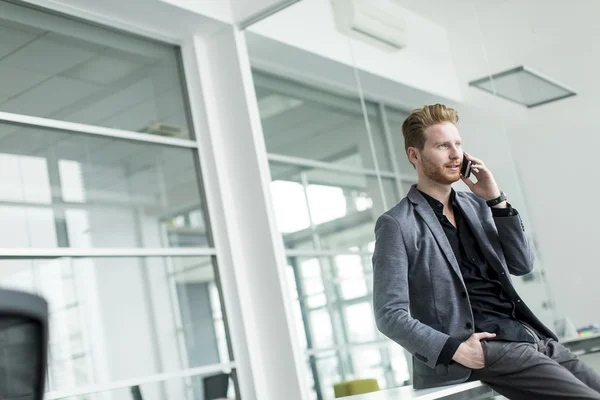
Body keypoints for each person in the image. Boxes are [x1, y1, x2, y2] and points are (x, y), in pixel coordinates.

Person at [372, 104, 600, 399]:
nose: (455, 154)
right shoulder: (397, 224)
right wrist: (455, 349)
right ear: (414, 155)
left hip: (531, 336)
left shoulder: (477, 205)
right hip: (488, 350)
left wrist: (496, 200)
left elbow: (522, 265)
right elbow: (389, 314)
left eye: (458, 144)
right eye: (442, 146)